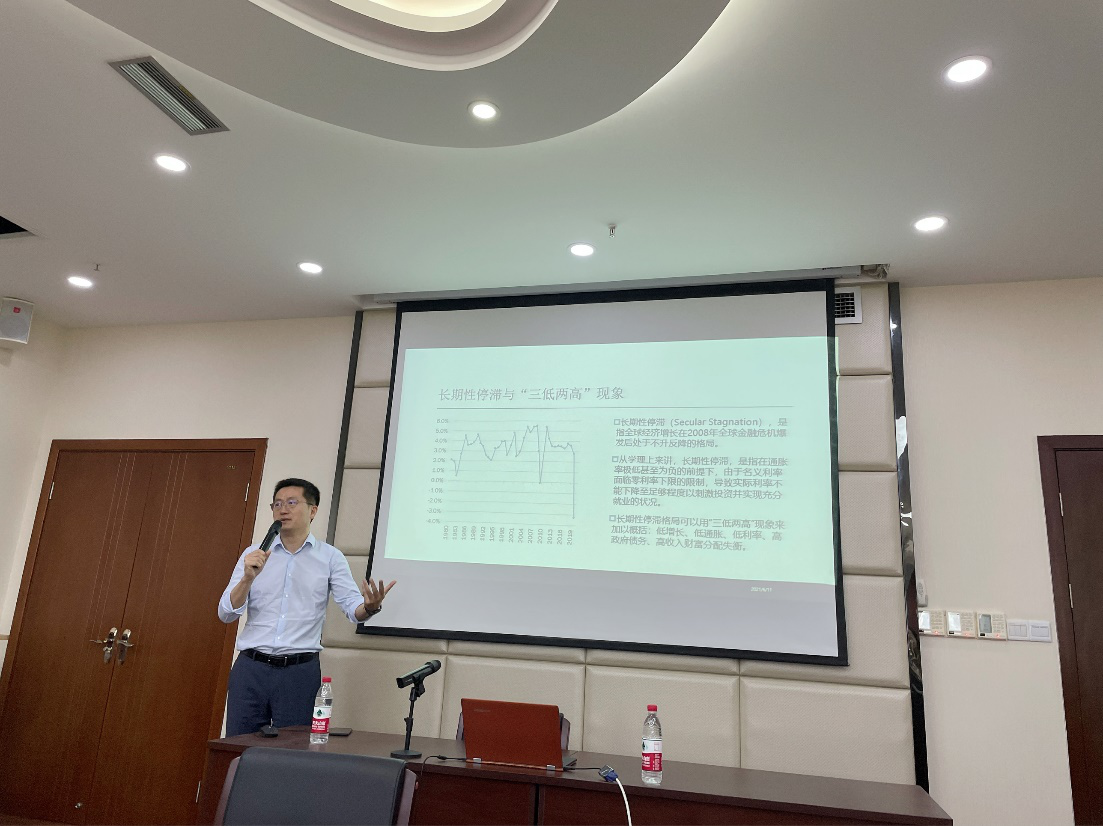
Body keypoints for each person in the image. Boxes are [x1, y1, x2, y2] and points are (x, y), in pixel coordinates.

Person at [217, 477, 396, 737]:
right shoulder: (253, 555)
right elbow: (225, 613)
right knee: (238, 746)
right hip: (251, 669)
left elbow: (352, 609)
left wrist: (369, 607)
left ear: (313, 510)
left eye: (292, 503)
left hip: (298, 673)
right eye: (277, 504)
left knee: (294, 748)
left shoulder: (330, 557)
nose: (283, 509)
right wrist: (247, 578)